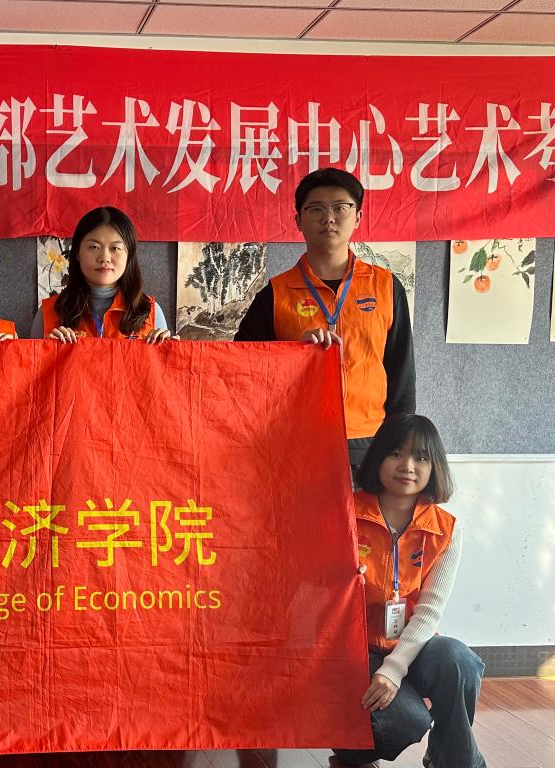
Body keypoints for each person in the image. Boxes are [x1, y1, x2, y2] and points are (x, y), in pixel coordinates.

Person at [234, 168, 414, 470]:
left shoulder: (385, 286)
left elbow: (401, 371)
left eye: (340, 208)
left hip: (370, 440)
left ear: (357, 217)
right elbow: (244, 368)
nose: (328, 218)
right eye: (316, 209)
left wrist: (401, 443)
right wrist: (294, 353)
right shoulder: (275, 293)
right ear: (298, 221)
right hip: (295, 439)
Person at [333, 414, 486, 768]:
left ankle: (454, 762)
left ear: (435, 467)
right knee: (406, 721)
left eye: (421, 457)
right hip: (354, 650)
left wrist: (394, 668)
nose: (408, 466)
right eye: (396, 453)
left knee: (459, 660)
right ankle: (351, 756)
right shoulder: (344, 514)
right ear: (378, 457)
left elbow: (430, 611)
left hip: (410, 646)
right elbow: (313, 593)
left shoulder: (445, 530)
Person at [31, 206, 176, 343]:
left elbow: (162, 363)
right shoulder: (47, 313)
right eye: (94, 247)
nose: (105, 258)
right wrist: (46, 351)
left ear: (129, 255)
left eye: (115, 248)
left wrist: (170, 353)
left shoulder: (150, 312)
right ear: (77, 253)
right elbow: (32, 363)